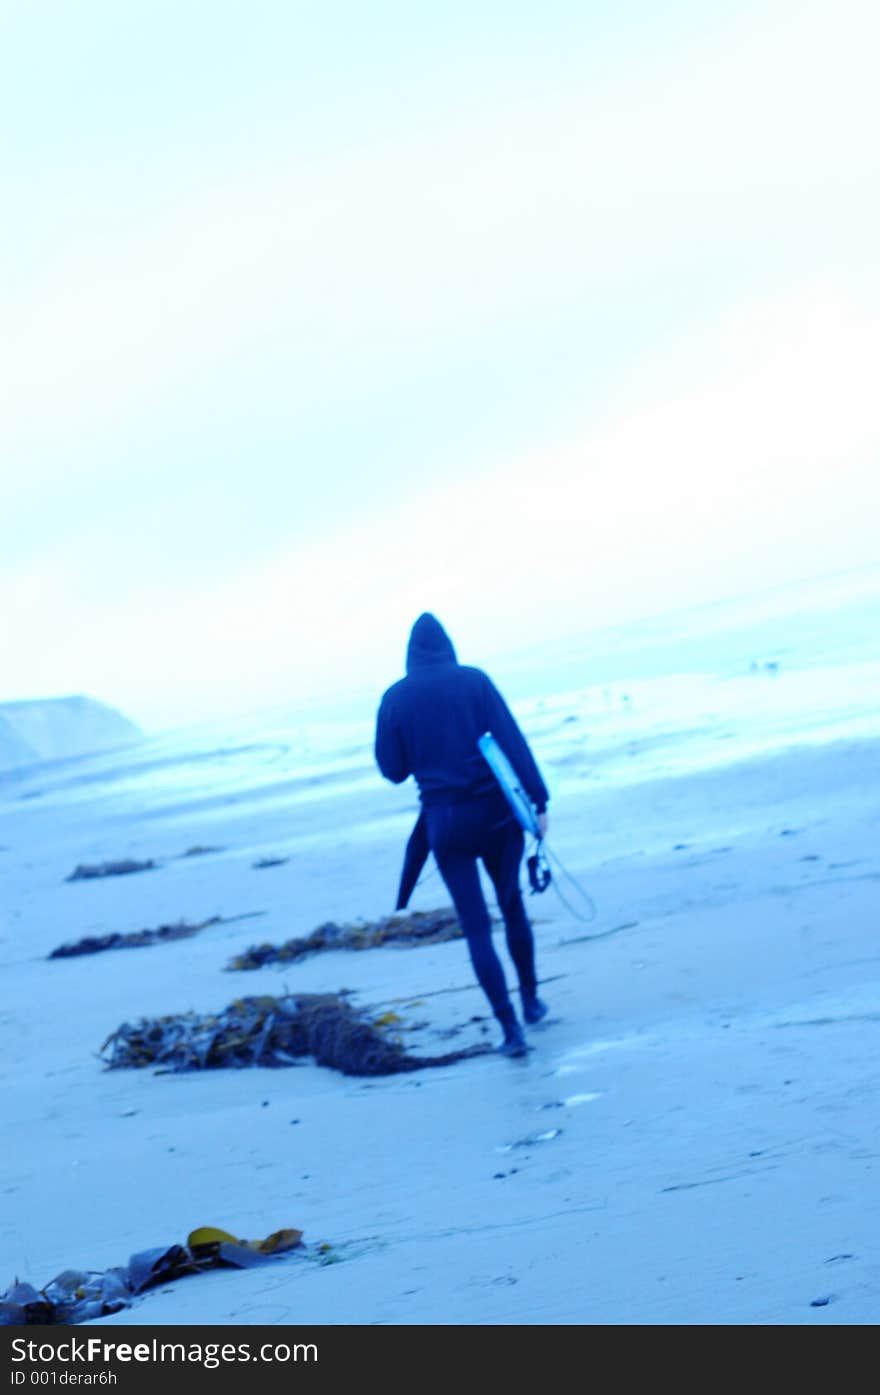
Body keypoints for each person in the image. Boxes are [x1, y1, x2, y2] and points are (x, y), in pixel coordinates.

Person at [374, 612, 550, 1058]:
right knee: (512, 908)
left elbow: (393, 771)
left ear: (410, 655)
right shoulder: (474, 681)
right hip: (495, 815)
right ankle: (531, 1001)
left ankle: (510, 1031)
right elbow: (512, 740)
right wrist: (539, 800)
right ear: (449, 646)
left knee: (475, 928)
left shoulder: (395, 698)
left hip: (445, 823)